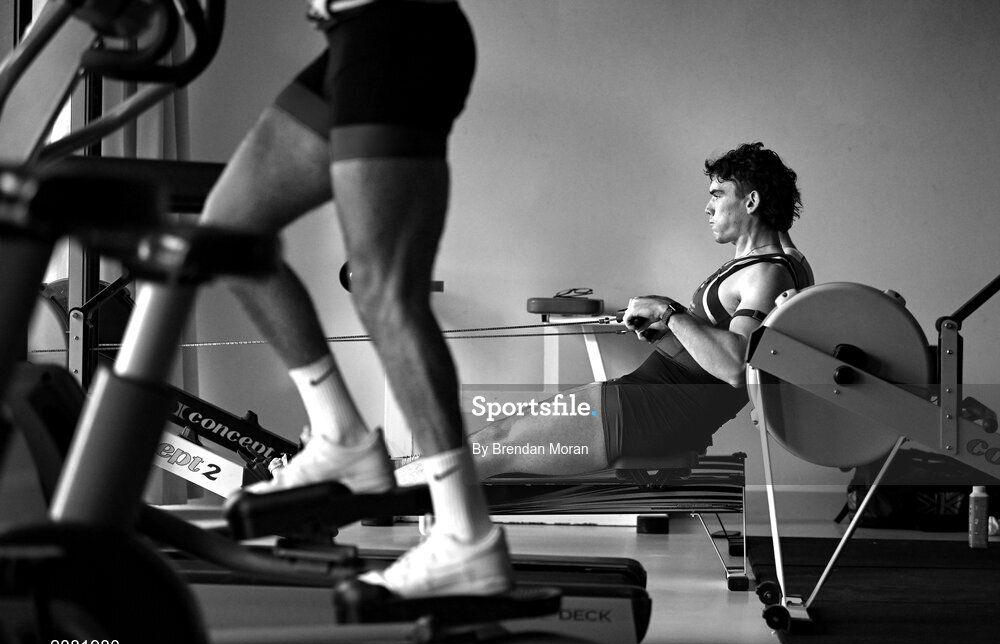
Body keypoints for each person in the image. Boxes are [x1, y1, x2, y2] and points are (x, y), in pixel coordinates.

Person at [200, 0, 512, 598]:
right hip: (351, 38)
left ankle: (465, 539)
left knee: (383, 289)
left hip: (397, 30)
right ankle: (338, 436)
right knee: (229, 237)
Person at [398, 142, 812, 482]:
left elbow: (735, 366)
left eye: (718, 195)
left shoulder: (765, 272)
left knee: (500, 444)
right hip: (651, 395)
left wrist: (670, 313)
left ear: (752, 201)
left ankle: (385, 490)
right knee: (499, 439)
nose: (708, 208)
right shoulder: (780, 263)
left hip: (659, 411)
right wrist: (665, 335)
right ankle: (395, 487)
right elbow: (713, 358)